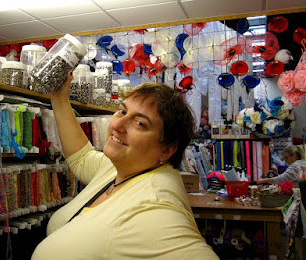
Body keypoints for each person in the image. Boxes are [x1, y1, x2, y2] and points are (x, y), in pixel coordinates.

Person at [31, 72, 218, 259]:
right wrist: (58, 98)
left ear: (167, 149)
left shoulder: (154, 204)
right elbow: (82, 158)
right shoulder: (121, 168)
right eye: (122, 111)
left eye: (140, 123)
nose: (118, 125)